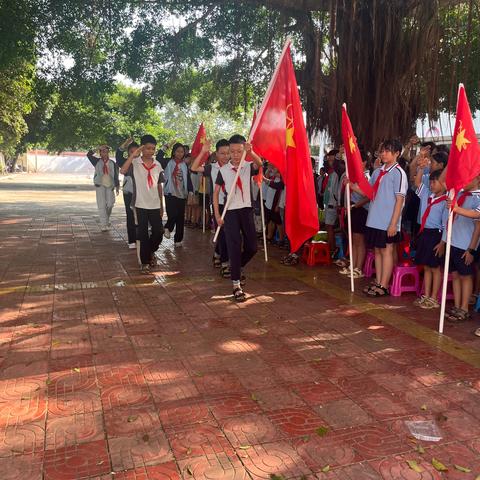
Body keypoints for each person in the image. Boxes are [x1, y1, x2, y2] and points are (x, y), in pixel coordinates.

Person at [350, 139, 408, 297]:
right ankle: (378, 280)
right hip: (374, 219)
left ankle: (384, 284)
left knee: (387, 251)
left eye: (387, 151)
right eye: (382, 151)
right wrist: (354, 187)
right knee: (377, 251)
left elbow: (400, 200)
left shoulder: (399, 173)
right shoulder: (378, 172)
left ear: (397, 153)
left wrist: (393, 224)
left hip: (388, 221)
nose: (383, 154)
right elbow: (371, 193)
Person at [213, 134, 262, 302]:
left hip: (246, 210)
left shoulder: (247, 166)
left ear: (244, 151)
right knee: (233, 246)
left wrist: (252, 152)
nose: (235, 154)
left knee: (252, 247)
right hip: (231, 212)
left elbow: (260, 164)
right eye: (232, 151)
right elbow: (216, 192)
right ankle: (236, 284)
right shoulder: (223, 170)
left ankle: (238, 265)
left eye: (239, 151)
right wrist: (218, 215)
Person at [119, 135, 164, 274]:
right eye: (148, 148)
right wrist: (133, 155)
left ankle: (150, 251)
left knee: (158, 232)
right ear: (142, 148)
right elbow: (122, 170)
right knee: (143, 233)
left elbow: (159, 185)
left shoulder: (158, 164)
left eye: (153, 149)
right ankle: (144, 262)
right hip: (140, 204)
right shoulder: (135, 163)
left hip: (155, 204)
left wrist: (162, 205)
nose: (150, 151)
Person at [191, 139, 231, 274]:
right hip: (218, 204)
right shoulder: (212, 167)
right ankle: (225, 263)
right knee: (223, 234)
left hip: (232, 205)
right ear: (216, 153)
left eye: (228, 153)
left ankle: (218, 253)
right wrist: (203, 151)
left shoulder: (235, 165)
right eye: (222, 153)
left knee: (228, 235)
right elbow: (194, 168)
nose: (226, 156)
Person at [444, 177, 480, 325]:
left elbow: (478, 221)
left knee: (465, 277)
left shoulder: (478, 197)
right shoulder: (458, 194)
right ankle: (457, 305)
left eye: (468, 179)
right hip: (453, 241)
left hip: (465, 245)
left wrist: (471, 249)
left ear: (477, 179)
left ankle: (464, 308)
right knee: (456, 275)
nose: (464, 182)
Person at [412, 169, 447, 308]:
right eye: (431, 182)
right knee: (426, 266)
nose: (431, 185)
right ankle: (425, 295)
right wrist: (420, 168)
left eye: (435, 182)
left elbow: (445, 225)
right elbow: (417, 182)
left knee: (435, 268)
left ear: (444, 184)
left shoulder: (445, 202)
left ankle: (434, 298)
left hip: (436, 235)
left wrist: (442, 243)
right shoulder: (427, 195)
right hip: (425, 233)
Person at [339, 155, 370, 278]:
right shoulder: (354, 175)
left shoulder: (366, 176)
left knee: (359, 240)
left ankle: (358, 268)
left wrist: (356, 205)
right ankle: (353, 265)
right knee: (353, 240)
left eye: (359, 161)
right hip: (352, 208)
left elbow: (368, 195)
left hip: (361, 209)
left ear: (365, 162)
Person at [163, 143, 193, 246]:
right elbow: (158, 157)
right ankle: (168, 227)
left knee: (180, 217)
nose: (180, 154)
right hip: (169, 192)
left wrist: (190, 191)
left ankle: (178, 240)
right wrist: (165, 147)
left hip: (181, 194)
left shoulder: (184, 165)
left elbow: (188, 179)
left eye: (182, 152)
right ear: (174, 152)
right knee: (172, 213)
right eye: (178, 151)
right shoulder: (168, 162)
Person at [86, 145, 119, 232]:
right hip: (100, 185)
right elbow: (88, 155)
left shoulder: (112, 163)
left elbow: (116, 175)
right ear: (100, 153)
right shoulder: (96, 161)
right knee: (101, 205)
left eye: (106, 151)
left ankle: (106, 219)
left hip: (110, 185)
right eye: (103, 151)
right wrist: (98, 147)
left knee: (110, 203)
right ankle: (103, 224)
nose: (105, 153)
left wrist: (117, 186)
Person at [116, 137, 140, 248]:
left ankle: (140, 237)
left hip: (141, 193)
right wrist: (125, 144)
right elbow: (118, 156)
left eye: (137, 151)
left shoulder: (143, 162)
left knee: (141, 215)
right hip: (129, 192)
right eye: (132, 152)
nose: (135, 154)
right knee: (130, 215)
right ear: (128, 152)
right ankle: (132, 240)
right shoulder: (124, 162)